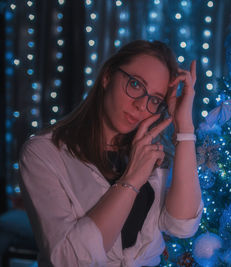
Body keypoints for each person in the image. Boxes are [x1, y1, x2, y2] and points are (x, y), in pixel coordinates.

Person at [19, 40, 203, 266]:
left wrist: (184, 128)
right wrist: (132, 179)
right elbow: (67, 259)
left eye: (154, 99)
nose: (140, 105)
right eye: (135, 84)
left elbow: (182, 225)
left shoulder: (153, 153)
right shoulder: (43, 153)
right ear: (107, 77)